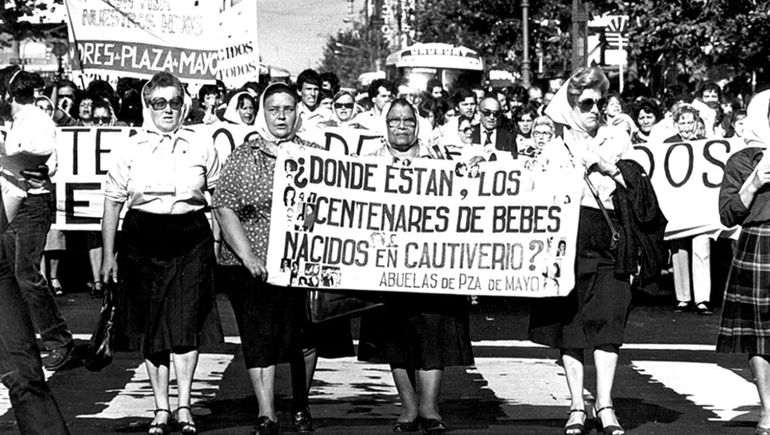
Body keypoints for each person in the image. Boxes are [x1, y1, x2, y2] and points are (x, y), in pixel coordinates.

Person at [101, 71, 224, 435]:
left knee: (186, 325)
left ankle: (184, 406)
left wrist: (216, 243)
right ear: (147, 105)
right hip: (142, 239)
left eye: (174, 102)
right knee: (152, 328)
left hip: (191, 238)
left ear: (184, 104)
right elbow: (111, 202)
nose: (167, 110)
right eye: (159, 103)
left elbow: (218, 198)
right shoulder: (129, 146)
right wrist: (108, 257)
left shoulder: (202, 143)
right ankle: (161, 408)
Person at [212, 82, 326, 435]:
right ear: (263, 112)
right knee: (259, 337)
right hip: (253, 266)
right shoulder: (244, 156)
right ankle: (267, 412)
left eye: (288, 109)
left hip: (302, 264)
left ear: (298, 113)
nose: (281, 115)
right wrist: (248, 257)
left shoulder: (316, 155)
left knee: (304, 337)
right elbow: (223, 206)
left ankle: (301, 406)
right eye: (273, 108)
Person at [358, 98, 474, 435]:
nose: (401, 127)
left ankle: (430, 406)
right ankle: (409, 406)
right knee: (396, 338)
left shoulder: (438, 159)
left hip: (431, 264)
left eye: (408, 121)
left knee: (433, 335)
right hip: (385, 265)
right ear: (386, 124)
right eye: (394, 121)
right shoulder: (368, 162)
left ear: (417, 124)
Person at [528, 67, 634, 435]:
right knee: (569, 327)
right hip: (565, 241)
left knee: (608, 323)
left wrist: (603, 164)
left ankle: (605, 405)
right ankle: (576, 405)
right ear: (571, 106)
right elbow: (535, 196)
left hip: (606, 236)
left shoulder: (618, 138)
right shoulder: (554, 148)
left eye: (601, 102)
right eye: (586, 102)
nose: (595, 110)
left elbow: (636, 188)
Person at [1, 70, 74, 371]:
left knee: (26, 273)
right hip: (12, 198)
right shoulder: (16, 121)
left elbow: (47, 161)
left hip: (32, 201)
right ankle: (19, 339)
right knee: (9, 272)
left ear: (8, 94)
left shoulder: (38, 121)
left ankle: (58, 338)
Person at [717, 89, 770, 435]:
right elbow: (727, 214)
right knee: (761, 333)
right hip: (760, 244)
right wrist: (754, 182)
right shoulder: (741, 160)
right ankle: (768, 409)